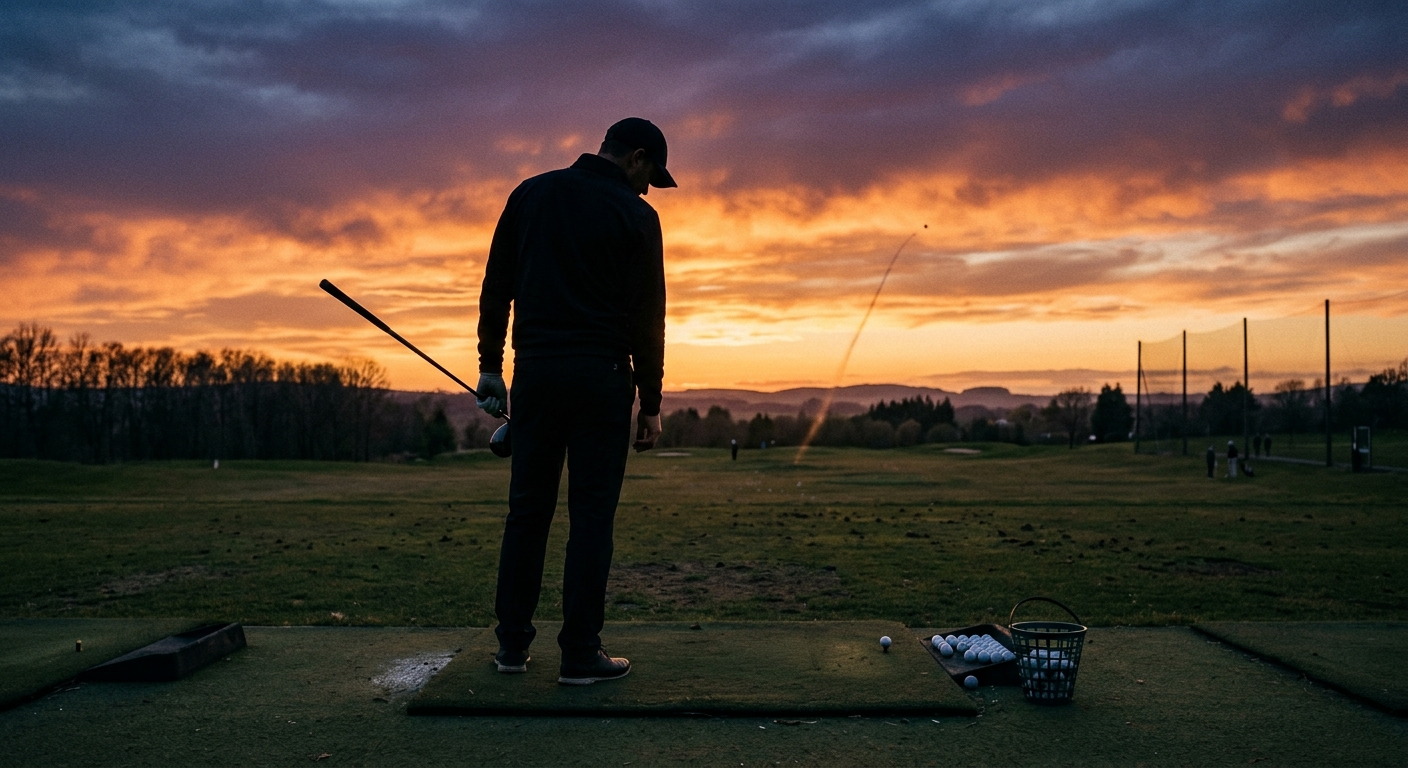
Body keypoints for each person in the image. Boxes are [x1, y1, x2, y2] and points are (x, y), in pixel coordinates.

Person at [475, 117, 675, 685]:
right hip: (603, 382)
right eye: (650, 176)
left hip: (535, 375)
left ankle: (511, 648)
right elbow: (647, 318)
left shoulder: (530, 193)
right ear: (636, 157)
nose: (647, 188)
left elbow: (497, 285)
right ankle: (580, 655)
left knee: (527, 514)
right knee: (591, 521)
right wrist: (652, 402)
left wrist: (491, 367)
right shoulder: (637, 216)